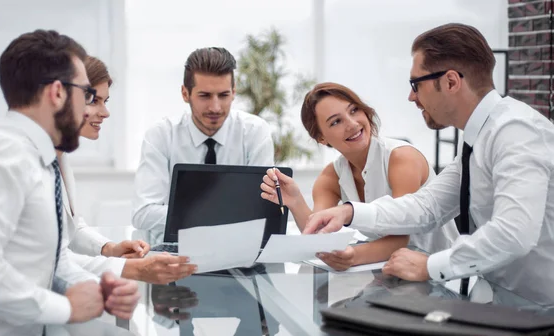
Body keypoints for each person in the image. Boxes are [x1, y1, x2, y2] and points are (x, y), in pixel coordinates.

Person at [303, 23, 554, 308]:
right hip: (505, 306)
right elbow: (427, 206)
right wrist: (349, 212)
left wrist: (430, 266)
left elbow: (514, 234)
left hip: (542, 314)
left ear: (450, 82)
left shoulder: (515, 132)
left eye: (416, 84)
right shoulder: (480, 139)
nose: (411, 97)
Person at [0, 30, 139, 336]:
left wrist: (102, 288)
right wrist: (66, 308)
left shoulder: (39, 159)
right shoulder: (1, 153)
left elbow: (51, 257)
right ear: (57, 93)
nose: (91, 107)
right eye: (87, 94)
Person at [261, 82, 458, 270]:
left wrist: (352, 256)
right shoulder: (330, 176)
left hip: (442, 271)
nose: (352, 124)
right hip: (393, 272)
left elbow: (400, 237)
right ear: (321, 138)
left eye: (354, 110)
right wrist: (295, 201)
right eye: (336, 121)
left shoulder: (401, 157)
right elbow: (319, 234)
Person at [58, 55, 197, 284]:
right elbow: (53, 259)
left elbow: (72, 228)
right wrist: (131, 269)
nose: (105, 112)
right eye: (94, 101)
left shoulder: (62, 161)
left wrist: (110, 248)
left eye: (105, 101)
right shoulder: (34, 162)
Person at [131, 47, 274, 242]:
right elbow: (143, 213)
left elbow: (261, 208)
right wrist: (218, 217)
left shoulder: (255, 132)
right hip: (174, 251)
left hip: (238, 247)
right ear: (185, 93)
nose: (215, 107)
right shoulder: (161, 136)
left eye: (223, 95)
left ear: (233, 92)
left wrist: (191, 216)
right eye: (204, 96)